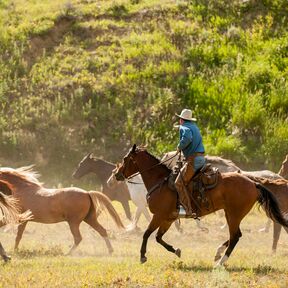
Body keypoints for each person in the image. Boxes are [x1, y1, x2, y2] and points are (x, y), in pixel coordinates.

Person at [174, 108, 205, 217]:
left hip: (193, 160)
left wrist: (179, 146)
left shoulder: (184, 127)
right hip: (201, 158)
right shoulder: (194, 127)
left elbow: (187, 138)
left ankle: (186, 209)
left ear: (181, 120)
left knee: (178, 183)